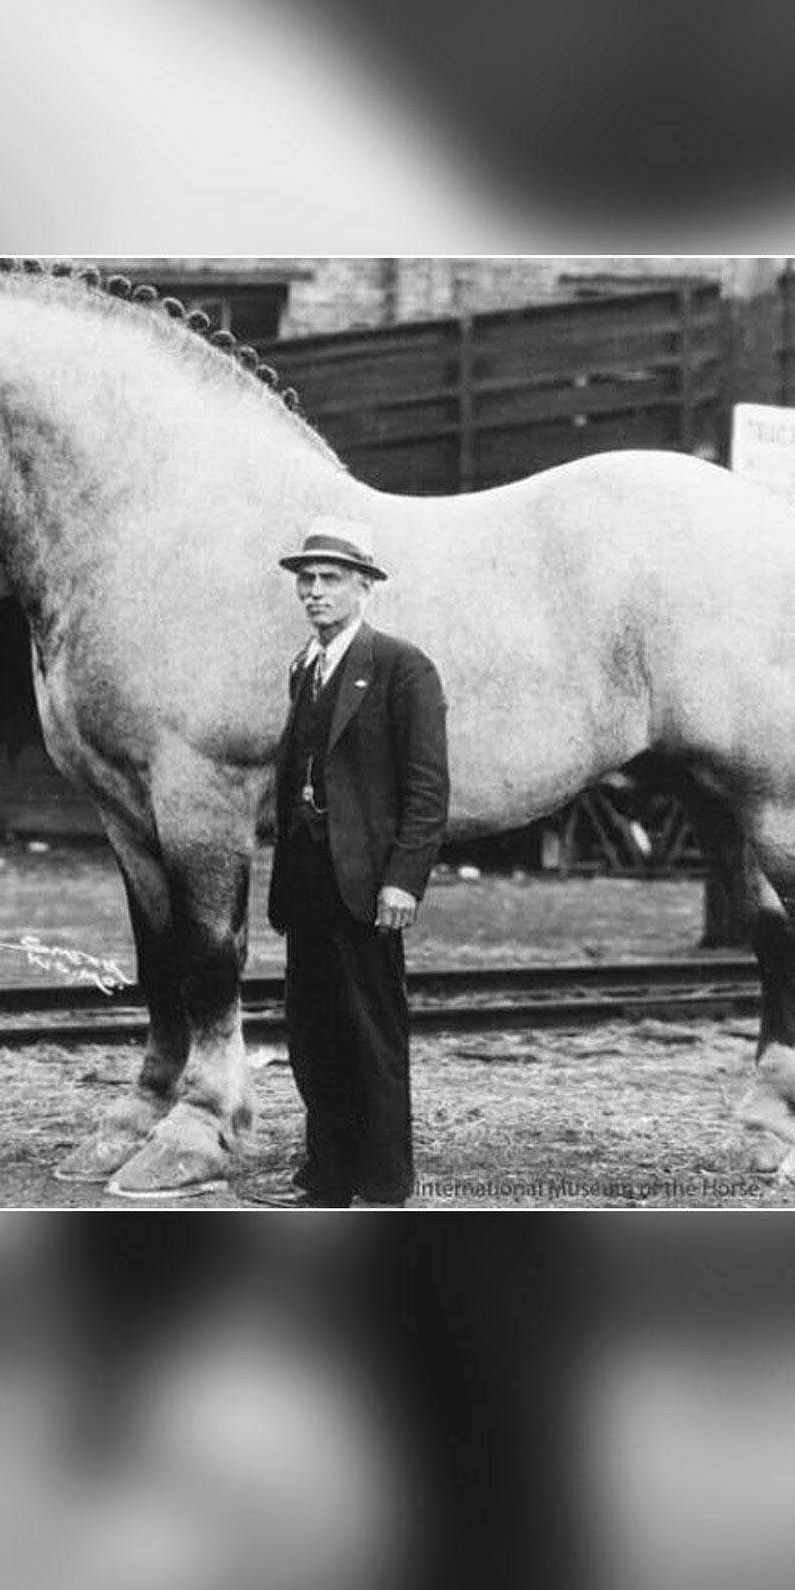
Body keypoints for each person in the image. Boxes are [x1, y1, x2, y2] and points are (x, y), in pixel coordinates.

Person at [267, 516, 450, 1207]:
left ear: (364, 587)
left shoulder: (402, 667)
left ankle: (383, 1186)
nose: (314, 592)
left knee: (372, 1032)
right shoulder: (305, 666)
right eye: (306, 580)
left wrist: (404, 881)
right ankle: (327, 1178)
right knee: (313, 1032)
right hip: (307, 878)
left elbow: (427, 790)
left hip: (369, 883)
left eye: (330, 579)